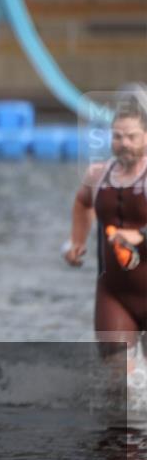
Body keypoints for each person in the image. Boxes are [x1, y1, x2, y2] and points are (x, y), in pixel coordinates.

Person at [65, 101, 147, 359]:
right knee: (117, 384)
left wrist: (142, 235)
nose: (124, 143)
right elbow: (82, 202)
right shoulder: (97, 174)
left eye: (132, 136)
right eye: (118, 136)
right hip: (115, 292)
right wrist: (76, 242)